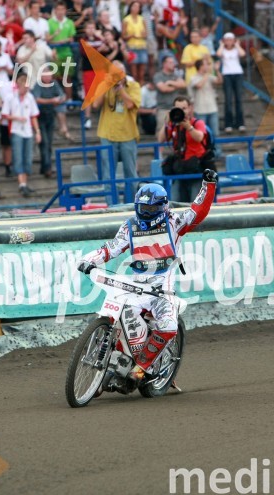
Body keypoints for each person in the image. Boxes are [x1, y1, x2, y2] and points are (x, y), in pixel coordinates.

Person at [76, 169, 217, 383]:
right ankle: (113, 361)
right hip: (136, 286)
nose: (147, 211)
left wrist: (208, 185)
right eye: (143, 207)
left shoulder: (174, 222)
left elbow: (198, 211)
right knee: (119, 315)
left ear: (162, 206)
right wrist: (89, 260)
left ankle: (142, 366)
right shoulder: (129, 226)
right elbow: (110, 248)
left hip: (163, 289)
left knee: (169, 326)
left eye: (152, 207)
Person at [94, 60, 141, 189]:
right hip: (108, 134)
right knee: (109, 174)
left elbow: (131, 104)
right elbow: (95, 104)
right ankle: (112, 206)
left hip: (128, 134)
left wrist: (120, 89)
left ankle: (132, 205)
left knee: (130, 172)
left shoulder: (134, 86)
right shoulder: (104, 85)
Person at [158, 95, 213, 202]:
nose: (181, 111)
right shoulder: (173, 125)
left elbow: (199, 137)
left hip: (196, 171)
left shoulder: (197, 123)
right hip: (180, 170)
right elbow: (160, 139)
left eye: (184, 108)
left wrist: (189, 127)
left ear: (190, 108)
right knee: (176, 203)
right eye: (178, 109)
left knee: (195, 205)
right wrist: (167, 122)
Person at [2, 72, 41, 197]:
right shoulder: (10, 97)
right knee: (18, 156)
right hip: (16, 130)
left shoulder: (30, 97)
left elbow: (33, 116)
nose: (27, 89)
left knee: (27, 157)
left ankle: (24, 183)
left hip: (28, 131)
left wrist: (37, 131)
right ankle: (21, 184)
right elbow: (5, 115)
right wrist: (17, 118)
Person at [33, 70, 66, 178]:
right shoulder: (38, 85)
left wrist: (59, 100)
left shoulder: (54, 84)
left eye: (49, 76)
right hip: (40, 115)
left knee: (49, 142)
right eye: (45, 76)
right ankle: (47, 167)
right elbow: (37, 99)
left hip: (50, 115)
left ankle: (45, 166)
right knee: (45, 142)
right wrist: (52, 100)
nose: (47, 78)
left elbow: (62, 95)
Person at [216, 32, 246, 133]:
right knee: (228, 100)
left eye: (231, 39)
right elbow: (218, 54)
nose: (229, 41)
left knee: (239, 99)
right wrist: (221, 45)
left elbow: (242, 54)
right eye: (227, 40)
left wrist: (237, 45)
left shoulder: (236, 49)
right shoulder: (223, 50)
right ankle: (228, 124)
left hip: (238, 74)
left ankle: (240, 123)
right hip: (227, 75)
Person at [153, 55, 186, 125]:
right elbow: (164, 89)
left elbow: (183, 85)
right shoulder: (158, 75)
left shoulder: (175, 75)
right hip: (163, 109)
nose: (173, 64)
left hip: (176, 108)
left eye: (173, 62)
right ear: (164, 64)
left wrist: (170, 83)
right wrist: (177, 85)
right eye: (171, 62)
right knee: (162, 131)